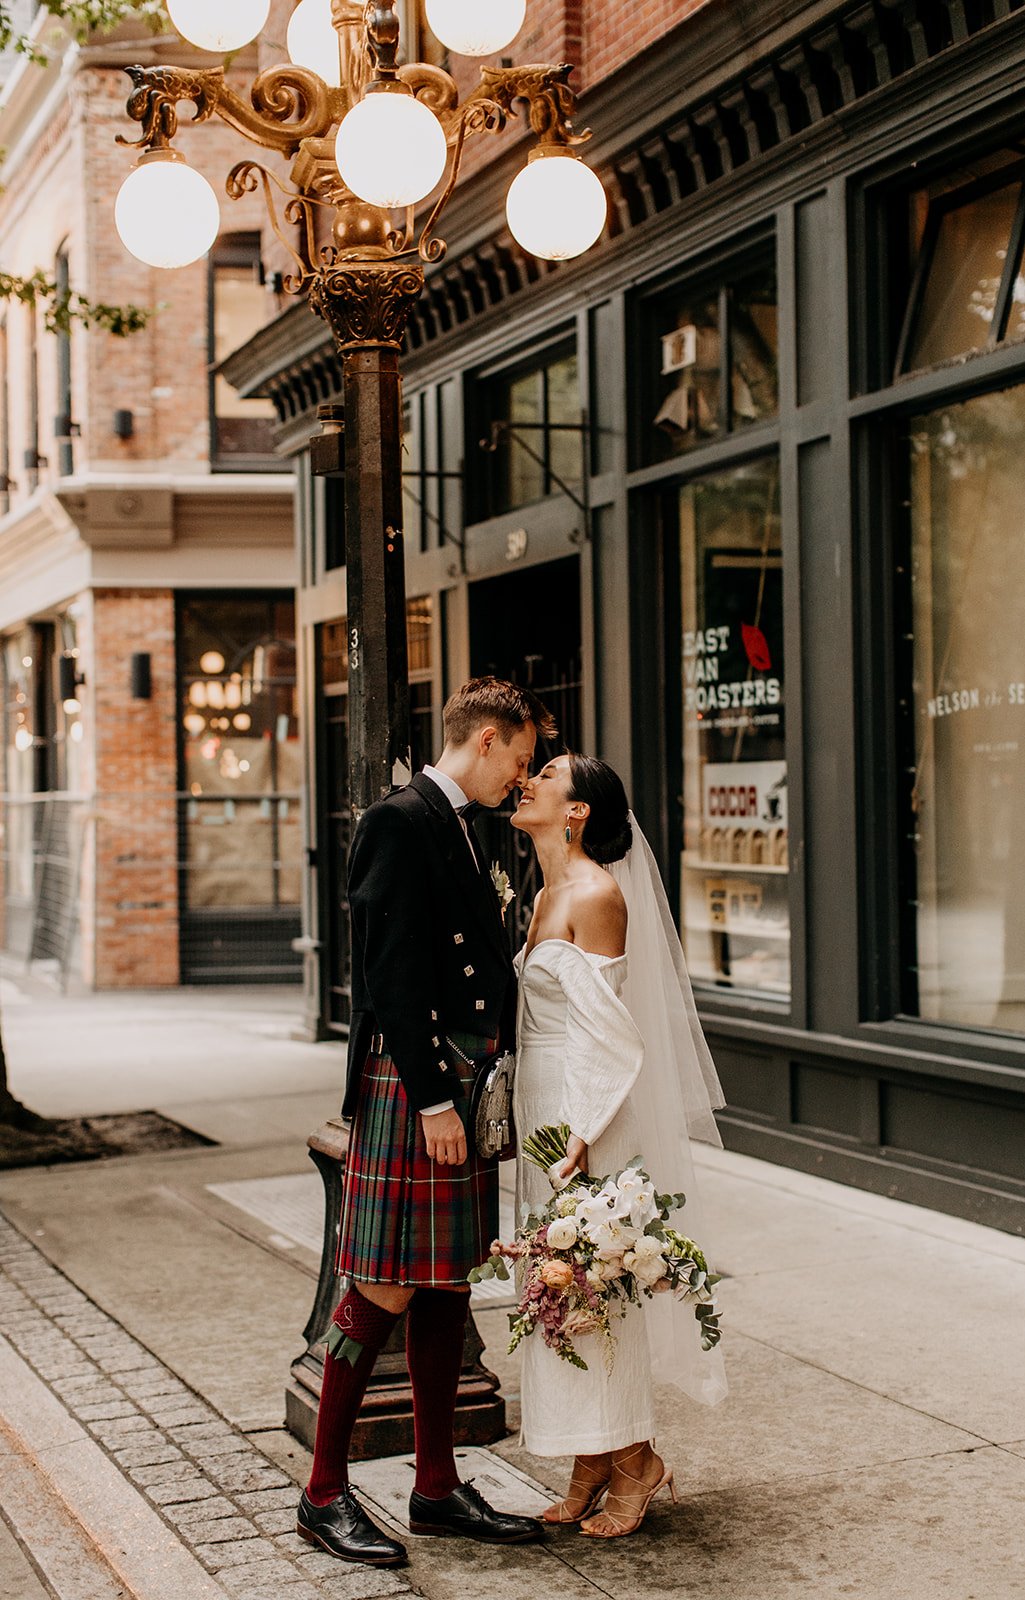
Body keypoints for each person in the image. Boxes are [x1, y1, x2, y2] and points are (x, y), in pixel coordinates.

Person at [297, 677, 557, 1567]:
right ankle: (321, 1495)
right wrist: (434, 1099)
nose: (520, 776)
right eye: (519, 757)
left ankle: (436, 1489)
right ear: (485, 739)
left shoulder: (465, 824)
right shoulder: (399, 821)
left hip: (462, 1075)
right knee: (382, 1287)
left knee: (446, 1284)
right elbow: (389, 975)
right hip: (419, 1081)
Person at [510, 753, 728, 1539]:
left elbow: (608, 1032)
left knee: (594, 1288)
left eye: (547, 774)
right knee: (554, 1292)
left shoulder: (597, 893)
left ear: (577, 812)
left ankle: (636, 1460)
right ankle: (590, 1459)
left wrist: (580, 1134)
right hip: (541, 1107)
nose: (528, 780)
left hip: (583, 1115)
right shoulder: (545, 893)